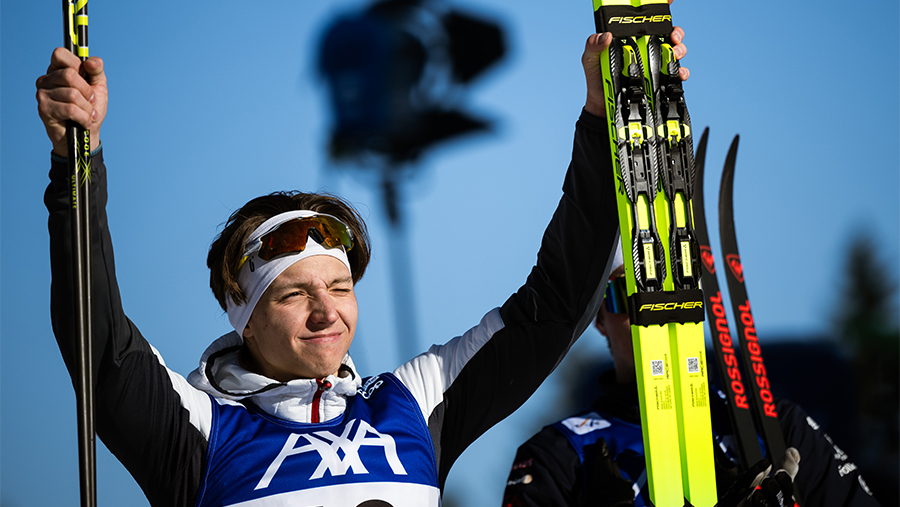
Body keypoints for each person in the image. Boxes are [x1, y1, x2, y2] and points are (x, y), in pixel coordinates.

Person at [35, 17, 691, 507]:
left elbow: (555, 307)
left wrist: (605, 123)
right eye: (294, 293)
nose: (328, 312)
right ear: (243, 313)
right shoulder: (197, 431)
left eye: (340, 287)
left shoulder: (413, 402)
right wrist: (76, 163)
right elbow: (99, 342)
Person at [500, 254, 881, 507]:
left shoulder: (774, 426)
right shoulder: (558, 456)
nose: (653, 309)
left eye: (669, 287)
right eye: (627, 294)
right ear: (599, 318)